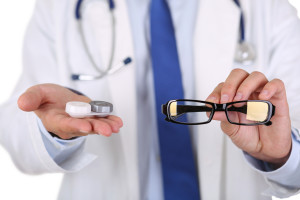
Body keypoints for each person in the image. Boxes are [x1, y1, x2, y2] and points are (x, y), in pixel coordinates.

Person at [1, 0, 300, 199]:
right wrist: (52, 131)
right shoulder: (59, 8)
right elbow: (18, 133)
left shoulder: (268, 9)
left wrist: (281, 152)